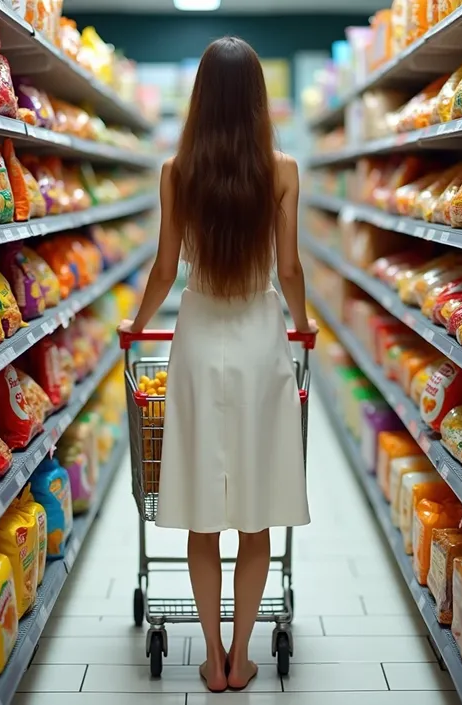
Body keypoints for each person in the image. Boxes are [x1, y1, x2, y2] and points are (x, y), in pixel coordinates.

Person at [118, 36, 315, 693]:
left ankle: (210, 657)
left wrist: (137, 323)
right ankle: (242, 655)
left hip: (198, 336)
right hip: (260, 339)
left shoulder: (178, 172)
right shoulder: (283, 170)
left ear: (200, 98)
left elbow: (166, 265)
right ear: (259, 100)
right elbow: (288, 269)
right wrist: (305, 325)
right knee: (256, 509)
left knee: (202, 509)